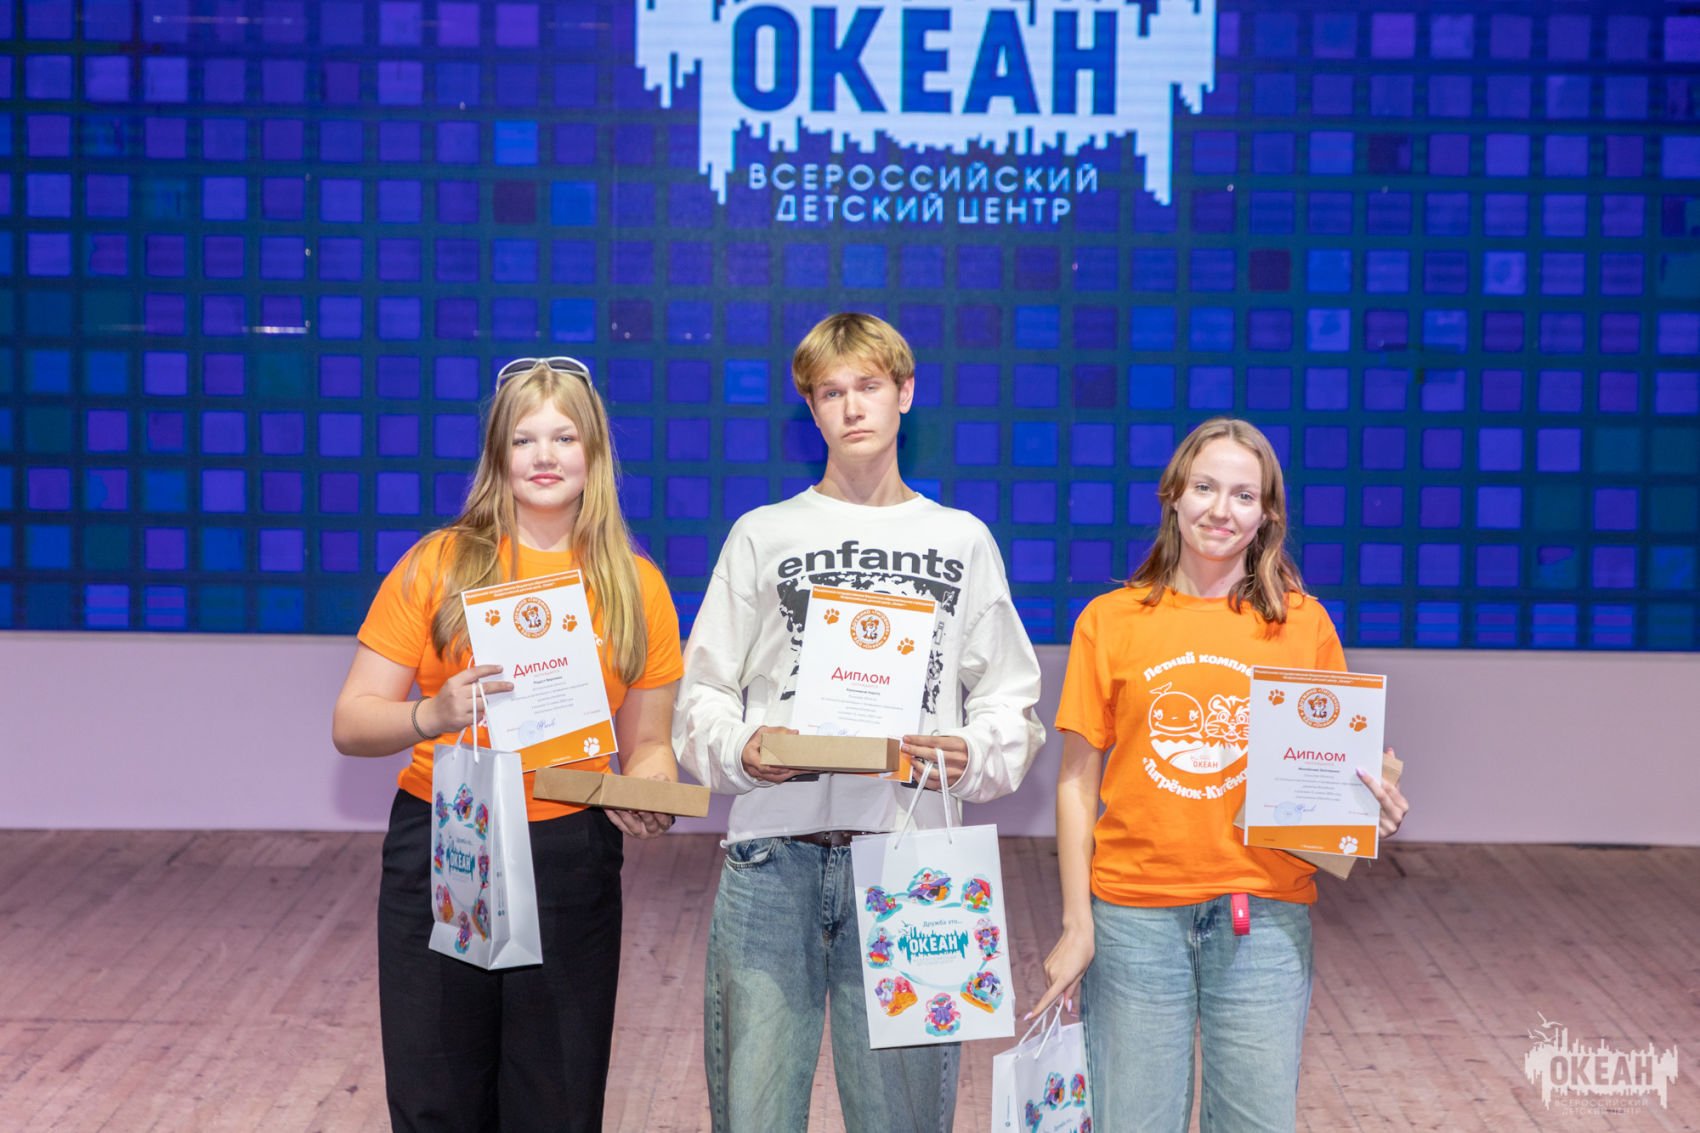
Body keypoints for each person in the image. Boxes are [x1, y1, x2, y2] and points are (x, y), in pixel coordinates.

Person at [675, 312, 1046, 1132]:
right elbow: (701, 697)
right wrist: (742, 747)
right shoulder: (762, 535)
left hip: (914, 867)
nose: (851, 407)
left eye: (869, 386)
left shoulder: (960, 540)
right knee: (754, 1117)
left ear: (905, 392)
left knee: (902, 1120)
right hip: (773, 860)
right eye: (830, 392)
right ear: (811, 409)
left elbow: (1010, 701)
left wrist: (969, 751)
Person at [331, 357, 684, 1132]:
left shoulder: (636, 584)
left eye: (564, 436)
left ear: (595, 452)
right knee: (437, 1093)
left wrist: (651, 789)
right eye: (524, 439)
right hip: (447, 839)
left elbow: (650, 743)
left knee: (555, 1099)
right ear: (498, 453)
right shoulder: (437, 563)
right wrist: (431, 713)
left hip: (571, 849)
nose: (545, 455)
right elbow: (352, 721)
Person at [1032, 417, 1410, 1133]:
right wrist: (1077, 924)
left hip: (1262, 918)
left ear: (1267, 514)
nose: (1220, 509)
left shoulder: (1303, 625)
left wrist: (1367, 811)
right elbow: (1075, 784)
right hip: (1134, 919)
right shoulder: (1110, 621)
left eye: (1243, 495)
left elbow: (1329, 775)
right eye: (1205, 487)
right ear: (1173, 494)